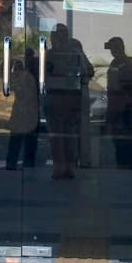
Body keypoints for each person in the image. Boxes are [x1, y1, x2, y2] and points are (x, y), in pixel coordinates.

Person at [44, 24, 93, 179]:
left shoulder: (49, 54)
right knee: (69, 134)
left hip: (56, 96)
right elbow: (87, 71)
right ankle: (68, 166)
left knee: (58, 135)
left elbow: (43, 74)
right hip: (71, 97)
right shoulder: (74, 54)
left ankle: (61, 167)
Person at [104, 37, 132, 169]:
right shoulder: (124, 63)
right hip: (123, 107)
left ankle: (126, 166)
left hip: (123, 108)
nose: (112, 51)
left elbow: (118, 88)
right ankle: (127, 166)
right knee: (124, 141)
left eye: (113, 48)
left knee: (124, 141)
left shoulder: (123, 64)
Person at [4, 49, 41, 170]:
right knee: (21, 137)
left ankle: (17, 163)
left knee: (23, 138)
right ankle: (19, 163)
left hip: (27, 109)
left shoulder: (30, 76)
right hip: (25, 109)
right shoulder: (26, 75)